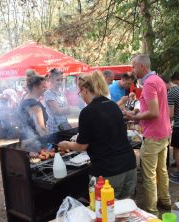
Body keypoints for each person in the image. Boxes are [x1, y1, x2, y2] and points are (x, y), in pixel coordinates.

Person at [58, 71, 137, 199]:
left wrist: (65, 144)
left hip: (108, 172)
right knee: (124, 210)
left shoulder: (87, 112)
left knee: (106, 211)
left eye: (79, 93)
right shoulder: (113, 105)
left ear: (84, 90)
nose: (80, 96)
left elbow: (81, 146)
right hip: (129, 165)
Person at [124, 54, 172, 216]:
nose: (132, 71)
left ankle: (152, 210)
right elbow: (154, 107)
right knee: (162, 170)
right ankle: (165, 201)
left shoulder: (150, 83)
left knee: (149, 174)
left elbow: (153, 112)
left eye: (134, 67)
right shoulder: (158, 80)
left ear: (142, 67)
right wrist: (138, 112)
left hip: (153, 135)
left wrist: (134, 117)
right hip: (163, 132)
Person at [18, 71, 48, 141]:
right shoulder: (34, 105)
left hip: (25, 139)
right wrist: (49, 140)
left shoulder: (25, 98)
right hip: (34, 141)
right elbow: (41, 128)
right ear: (35, 87)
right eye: (43, 87)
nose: (45, 89)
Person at [44, 68, 72, 133]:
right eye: (57, 80)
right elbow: (57, 111)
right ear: (51, 80)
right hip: (54, 128)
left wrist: (63, 110)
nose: (60, 82)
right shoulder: (48, 93)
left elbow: (68, 111)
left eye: (61, 80)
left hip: (64, 126)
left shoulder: (61, 92)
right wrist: (66, 109)